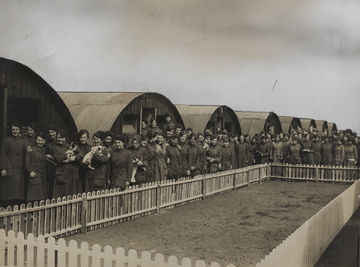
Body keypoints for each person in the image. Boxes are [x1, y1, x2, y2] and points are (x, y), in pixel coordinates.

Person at [0, 122, 26, 207]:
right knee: (10, 188)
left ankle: (17, 208)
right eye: (13, 129)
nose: (15, 131)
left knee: (19, 188)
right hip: (10, 165)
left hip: (20, 167)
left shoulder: (22, 141)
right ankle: (8, 207)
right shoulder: (7, 141)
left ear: (19, 130)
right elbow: (3, 155)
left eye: (17, 129)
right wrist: (3, 168)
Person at [52, 129, 82, 198]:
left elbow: (81, 153)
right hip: (62, 174)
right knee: (61, 195)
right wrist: (67, 153)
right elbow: (58, 159)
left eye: (62, 138)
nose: (60, 139)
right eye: (58, 137)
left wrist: (75, 157)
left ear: (65, 138)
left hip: (71, 174)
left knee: (71, 194)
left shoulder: (70, 145)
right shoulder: (55, 148)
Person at [25, 132, 47, 202]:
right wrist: (31, 171)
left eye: (42, 140)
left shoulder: (46, 149)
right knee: (34, 195)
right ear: (36, 140)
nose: (40, 142)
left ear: (45, 141)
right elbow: (27, 162)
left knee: (43, 195)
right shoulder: (31, 149)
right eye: (38, 140)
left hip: (43, 174)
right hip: (35, 173)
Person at [45, 125, 58, 199]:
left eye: (52, 132)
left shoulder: (59, 141)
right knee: (50, 183)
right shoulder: (48, 142)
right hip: (50, 165)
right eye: (49, 132)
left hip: (56, 165)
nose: (51, 134)